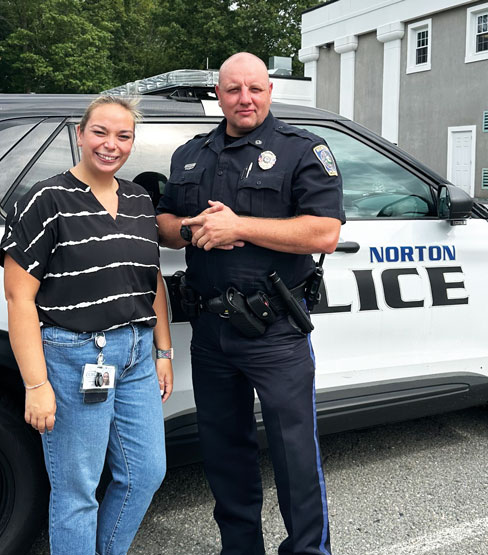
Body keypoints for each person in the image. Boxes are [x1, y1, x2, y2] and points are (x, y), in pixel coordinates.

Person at [157, 52, 344, 555]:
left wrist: (238, 225)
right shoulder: (190, 154)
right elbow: (165, 225)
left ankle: (307, 551)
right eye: (233, 89)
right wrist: (193, 228)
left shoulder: (303, 150)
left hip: (275, 330)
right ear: (217, 94)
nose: (245, 99)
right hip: (211, 331)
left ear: (270, 91)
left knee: (294, 453)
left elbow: (324, 231)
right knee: (223, 451)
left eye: (255, 89)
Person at [0, 96, 173, 555]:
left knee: (145, 473)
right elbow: (19, 298)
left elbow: (151, 280)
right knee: (78, 490)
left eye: (123, 136)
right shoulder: (46, 199)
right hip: (76, 355)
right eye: (100, 132)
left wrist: (163, 351)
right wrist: (36, 385)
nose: (111, 145)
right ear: (79, 134)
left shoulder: (138, 198)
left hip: (136, 354)